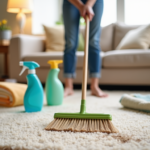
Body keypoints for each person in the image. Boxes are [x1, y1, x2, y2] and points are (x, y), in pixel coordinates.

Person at [63, 0, 108, 97]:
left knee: (94, 42)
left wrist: (88, 5)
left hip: (95, 2)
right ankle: (68, 87)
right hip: (71, 2)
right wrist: (80, 5)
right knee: (70, 43)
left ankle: (94, 87)